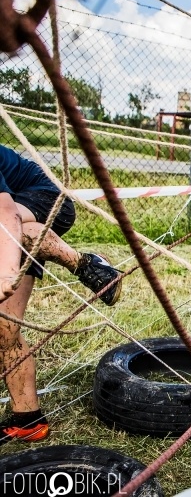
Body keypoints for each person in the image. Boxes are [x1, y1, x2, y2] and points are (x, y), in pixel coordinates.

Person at [0, 145, 123, 445]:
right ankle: (28, 421)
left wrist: (6, 272)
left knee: (19, 229)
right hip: (14, 229)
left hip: (46, 198)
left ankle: (85, 264)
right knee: (5, 330)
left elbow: (5, 214)